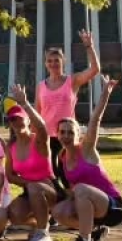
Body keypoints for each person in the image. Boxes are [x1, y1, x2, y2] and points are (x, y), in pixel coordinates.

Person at [53, 79, 122, 241]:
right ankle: (96, 231)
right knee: (59, 212)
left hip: (114, 207)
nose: (66, 135)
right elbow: (71, 191)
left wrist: (105, 94)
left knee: (80, 189)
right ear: (57, 134)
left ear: (79, 135)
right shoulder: (62, 158)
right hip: (92, 206)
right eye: (62, 132)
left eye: (71, 132)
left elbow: (95, 119)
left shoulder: (86, 150)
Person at [35, 30, 101, 169]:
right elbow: (37, 112)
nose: (53, 64)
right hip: (47, 137)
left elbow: (95, 69)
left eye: (56, 60)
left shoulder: (72, 81)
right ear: (45, 63)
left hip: (67, 135)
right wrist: (33, 135)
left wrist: (89, 47)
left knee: (68, 173)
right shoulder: (40, 86)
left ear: (63, 61)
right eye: (49, 61)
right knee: (50, 172)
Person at [4, 85, 58, 241]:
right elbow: (10, 175)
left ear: (28, 120)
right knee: (14, 213)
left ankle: (44, 234)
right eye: (13, 119)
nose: (17, 122)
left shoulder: (39, 141)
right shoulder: (11, 147)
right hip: (31, 190)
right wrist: (28, 184)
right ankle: (38, 225)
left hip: (50, 189)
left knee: (35, 188)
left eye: (20, 118)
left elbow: (42, 127)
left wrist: (26, 104)